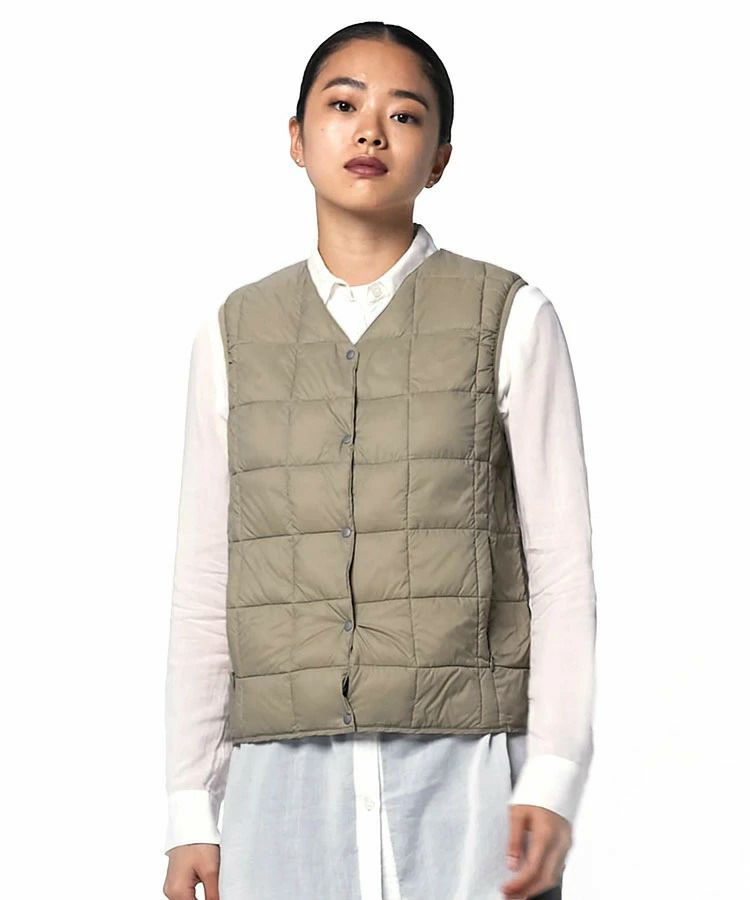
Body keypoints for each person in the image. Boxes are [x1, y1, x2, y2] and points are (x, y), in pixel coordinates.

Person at [162, 21, 597, 900]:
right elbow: (207, 581)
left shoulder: (510, 317)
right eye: (343, 105)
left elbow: (561, 569)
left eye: (404, 115)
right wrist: (190, 808)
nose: (370, 131)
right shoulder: (233, 333)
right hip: (281, 788)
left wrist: (553, 775)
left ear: (439, 159)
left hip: (469, 774)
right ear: (297, 138)